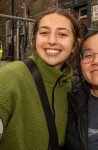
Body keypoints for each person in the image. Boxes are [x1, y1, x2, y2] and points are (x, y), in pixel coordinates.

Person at [0, 8, 81, 150]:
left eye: (62, 34)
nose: (52, 41)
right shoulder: (11, 76)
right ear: (34, 40)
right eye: (44, 33)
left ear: (75, 44)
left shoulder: (68, 87)